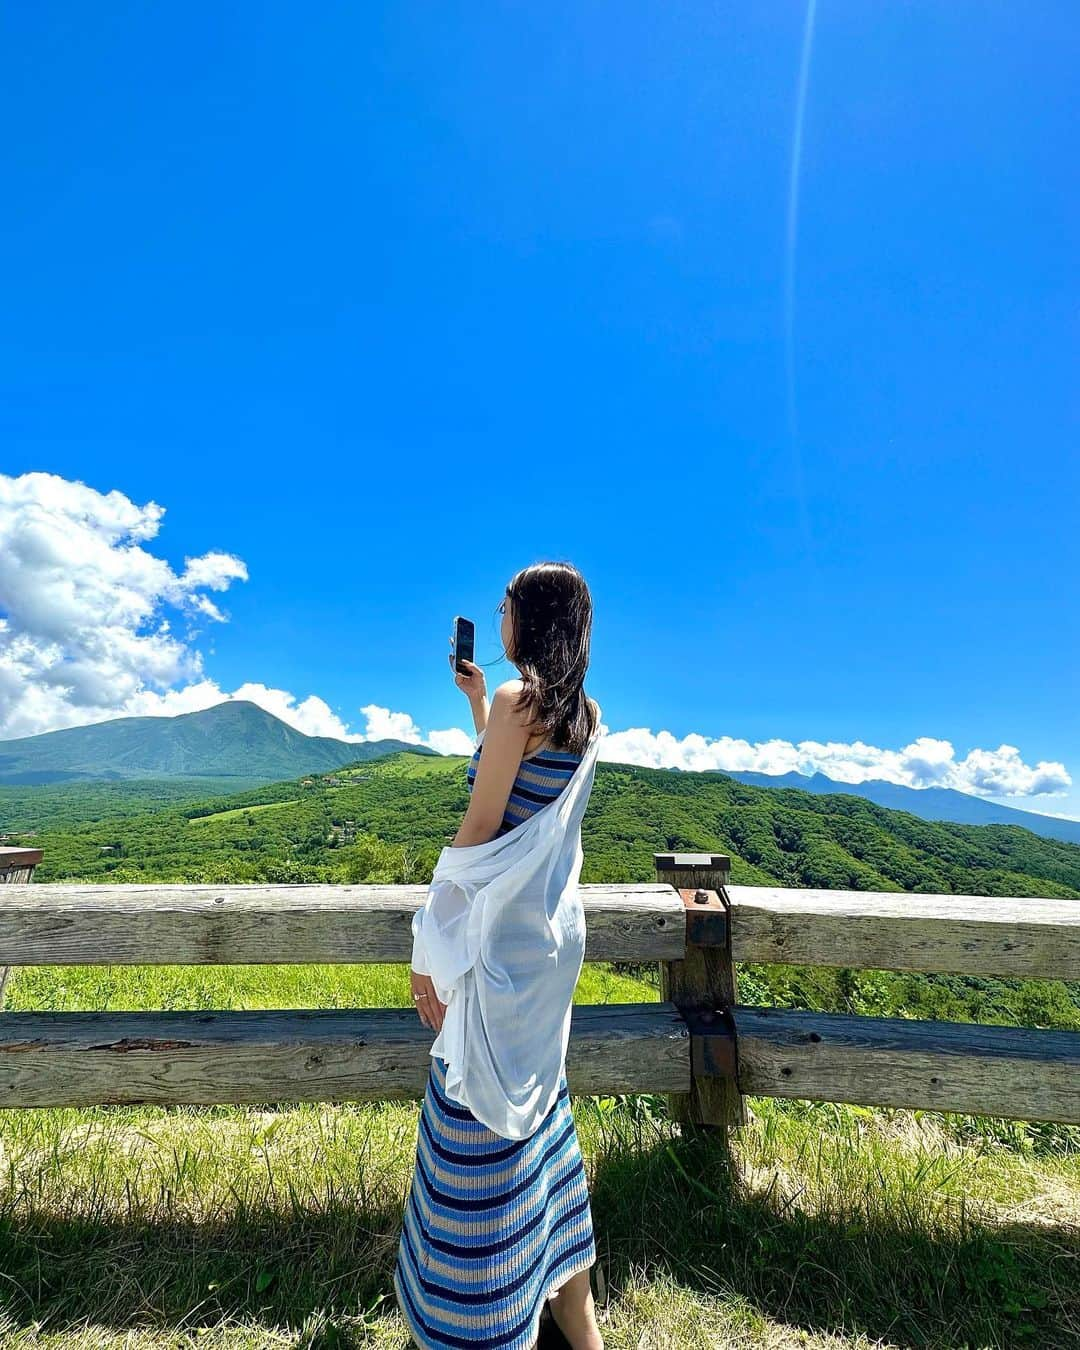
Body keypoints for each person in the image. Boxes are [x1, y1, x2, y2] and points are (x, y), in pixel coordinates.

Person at [393, 561, 605, 1350]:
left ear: (530, 619)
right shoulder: (584, 714)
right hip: (550, 945)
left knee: (476, 1118)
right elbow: (520, 791)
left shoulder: (523, 705)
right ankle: (577, 1323)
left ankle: (474, 1316)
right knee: (541, 1109)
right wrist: (478, 703)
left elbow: (481, 830)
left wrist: (428, 939)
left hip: (498, 947)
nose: (499, 614)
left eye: (506, 605)